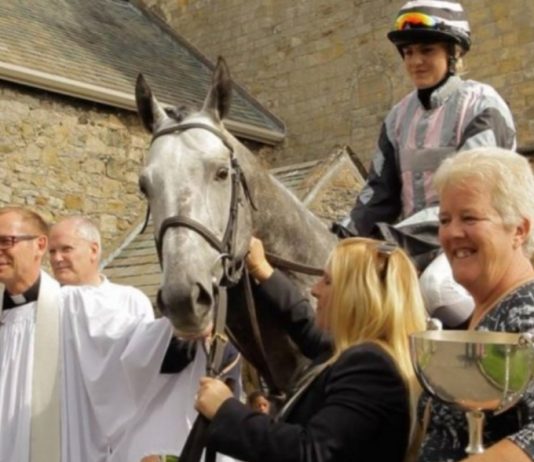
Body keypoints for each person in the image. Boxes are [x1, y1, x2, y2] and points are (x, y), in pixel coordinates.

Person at [0, 208, 238, 462]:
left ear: (39, 245)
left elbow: (134, 353)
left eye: (6, 241)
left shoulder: (78, 306)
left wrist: (186, 324)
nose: (58, 258)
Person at [333, 0, 516, 328]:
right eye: (408, 52)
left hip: (475, 238)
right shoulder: (397, 118)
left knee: (437, 288)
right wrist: (343, 236)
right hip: (408, 242)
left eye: (427, 50)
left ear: (454, 54)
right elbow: (378, 193)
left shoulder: (483, 106)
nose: (415, 61)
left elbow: (471, 199)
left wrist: (390, 238)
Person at [194, 236, 427, 462]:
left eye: (327, 281)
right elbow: (306, 328)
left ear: (358, 296)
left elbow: (312, 453)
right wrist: (263, 271)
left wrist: (226, 411)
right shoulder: (364, 353)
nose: (315, 290)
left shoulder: (370, 367)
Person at [418, 147, 534, 461]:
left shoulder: (527, 309)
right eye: (444, 219)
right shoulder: (488, 308)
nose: (452, 232)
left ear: (519, 230)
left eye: (469, 217)